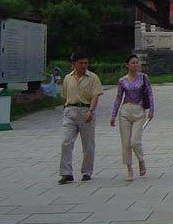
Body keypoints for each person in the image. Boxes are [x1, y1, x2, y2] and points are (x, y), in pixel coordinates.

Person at [58, 52, 104, 184]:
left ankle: (87, 171)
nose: (84, 65)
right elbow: (64, 96)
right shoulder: (68, 78)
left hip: (86, 110)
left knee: (88, 144)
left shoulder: (93, 77)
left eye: (86, 63)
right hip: (70, 111)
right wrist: (65, 109)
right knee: (66, 141)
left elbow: (95, 96)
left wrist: (91, 110)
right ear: (74, 64)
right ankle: (66, 173)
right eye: (81, 63)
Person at [110, 54, 155, 182]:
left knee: (135, 141)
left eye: (137, 62)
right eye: (133, 63)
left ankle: (141, 160)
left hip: (139, 111)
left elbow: (150, 94)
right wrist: (113, 115)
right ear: (127, 65)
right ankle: (129, 168)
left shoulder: (143, 78)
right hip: (125, 111)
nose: (135, 65)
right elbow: (119, 97)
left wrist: (152, 109)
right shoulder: (122, 80)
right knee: (126, 143)